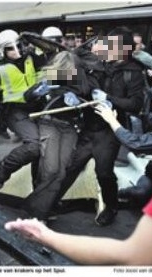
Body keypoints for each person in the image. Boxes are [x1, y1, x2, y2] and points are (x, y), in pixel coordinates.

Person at [5, 130, 152, 265]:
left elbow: (139, 255)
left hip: (111, 137)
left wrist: (45, 237)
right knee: (69, 170)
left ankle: (111, 206)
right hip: (89, 134)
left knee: (106, 174)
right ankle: (46, 208)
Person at [56, 26, 146, 226]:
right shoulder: (100, 64)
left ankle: (111, 207)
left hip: (109, 131)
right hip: (89, 126)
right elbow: (85, 87)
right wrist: (75, 97)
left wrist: (109, 99)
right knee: (71, 167)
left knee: (104, 172)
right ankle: (51, 203)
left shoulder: (133, 72)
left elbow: (135, 104)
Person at [21, 51, 95, 221]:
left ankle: (38, 209)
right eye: (64, 70)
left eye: (70, 71)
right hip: (49, 124)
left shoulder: (80, 81)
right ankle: (40, 212)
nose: (66, 75)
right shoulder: (52, 78)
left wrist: (79, 101)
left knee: (61, 173)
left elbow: (87, 96)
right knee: (51, 169)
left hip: (70, 128)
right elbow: (27, 97)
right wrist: (37, 92)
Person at [0, 29, 46, 189]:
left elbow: (55, 72)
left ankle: (38, 189)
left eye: (18, 45)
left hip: (39, 108)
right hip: (15, 111)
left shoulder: (31, 58)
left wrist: (78, 76)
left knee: (44, 149)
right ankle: (4, 168)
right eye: (10, 48)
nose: (17, 50)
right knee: (34, 146)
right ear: (1, 50)